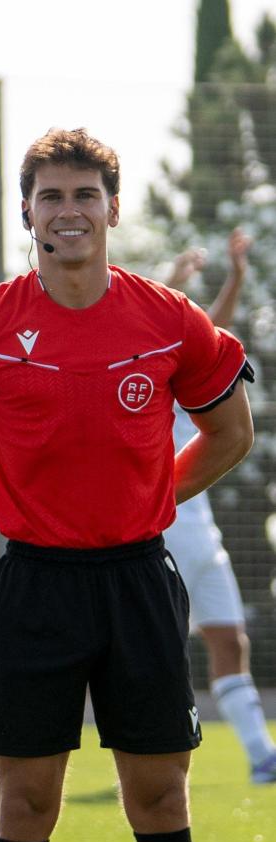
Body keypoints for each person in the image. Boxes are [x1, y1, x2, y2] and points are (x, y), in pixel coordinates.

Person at [0, 128, 254, 842]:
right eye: (52, 197)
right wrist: (1, 496)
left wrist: (152, 496)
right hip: (36, 587)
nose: (69, 212)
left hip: (137, 578)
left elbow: (229, 432)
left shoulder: (167, 317)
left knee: (162, 798)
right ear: (27, 211)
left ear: (113, 208)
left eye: (85, 196)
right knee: (27, 805)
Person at [163, 230, 276, 784]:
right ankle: (154, 757)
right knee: (154, 652)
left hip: (201, 536)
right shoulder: (141, 369)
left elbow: (213, 330)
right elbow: (127, 325)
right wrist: (171, 283)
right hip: (158, 532)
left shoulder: (197, 369)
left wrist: (233, 273)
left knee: (230, 640)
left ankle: (261, 755)